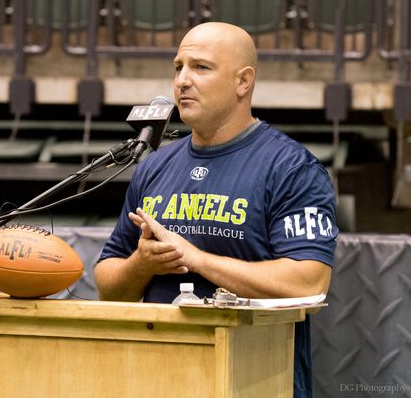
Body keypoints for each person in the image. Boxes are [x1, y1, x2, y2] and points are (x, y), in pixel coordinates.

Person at [94, 21, 337, 398]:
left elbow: (308, 283)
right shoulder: (155, 166)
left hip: (256, 379)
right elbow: (108, 288)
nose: (182, 81)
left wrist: (195, 258)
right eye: (178, 67)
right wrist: (142, 264)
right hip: (158, 378)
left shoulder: (292, 168)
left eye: (201, 68)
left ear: (243, 82)